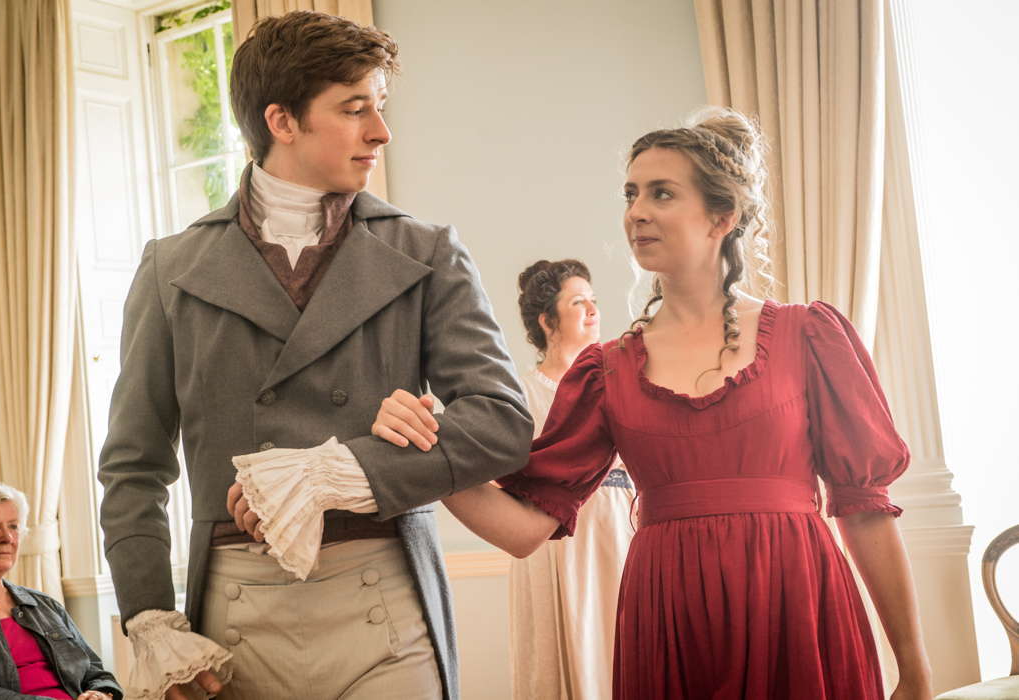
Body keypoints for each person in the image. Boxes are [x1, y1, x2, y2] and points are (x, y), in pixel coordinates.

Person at [370, 108, 934, 699]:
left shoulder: (808, 334)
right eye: (631, 193)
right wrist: (429, 454)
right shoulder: (605, 370)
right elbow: (523, 529)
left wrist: (915, 669)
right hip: (668, 620)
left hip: (797, 602)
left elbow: (865, 511)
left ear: (724, 216)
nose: (636, 211)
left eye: (662, 193)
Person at [97, 11, 531, 700]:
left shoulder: (426, 251)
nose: (380, 132)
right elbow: (132, 468)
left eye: (379, 108)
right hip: (235, 619)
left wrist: (338, 470)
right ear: (282, 121)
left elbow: (502, 422)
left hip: (385, 602)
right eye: (356, 109)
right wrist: (150, 615)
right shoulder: (170, 268)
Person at [510, 259, 634, 699]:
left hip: (620, 529)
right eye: (578, 302)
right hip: (557, 538)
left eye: (594, 301)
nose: (592, 310)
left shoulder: (618, 381)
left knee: (622, 643)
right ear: (547, 321)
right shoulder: (521, 394)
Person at [0, 482, 123, 700]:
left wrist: (100, 693)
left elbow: (95, 670)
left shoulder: (44, 605)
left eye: (13, 526)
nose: (8, 538)